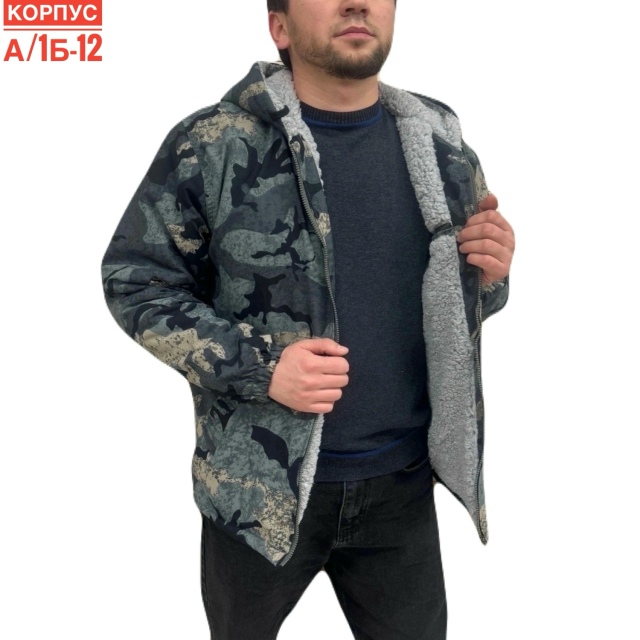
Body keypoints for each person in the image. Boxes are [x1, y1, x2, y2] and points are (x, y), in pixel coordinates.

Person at [101, 0, 515, 637]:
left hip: (401, 488)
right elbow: (135, 281)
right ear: (280, 26)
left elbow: (460, 308)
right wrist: (262, 367)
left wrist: (490, 274)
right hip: (257, 490)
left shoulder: (441, 145)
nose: (357, 3)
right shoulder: (213, 144)